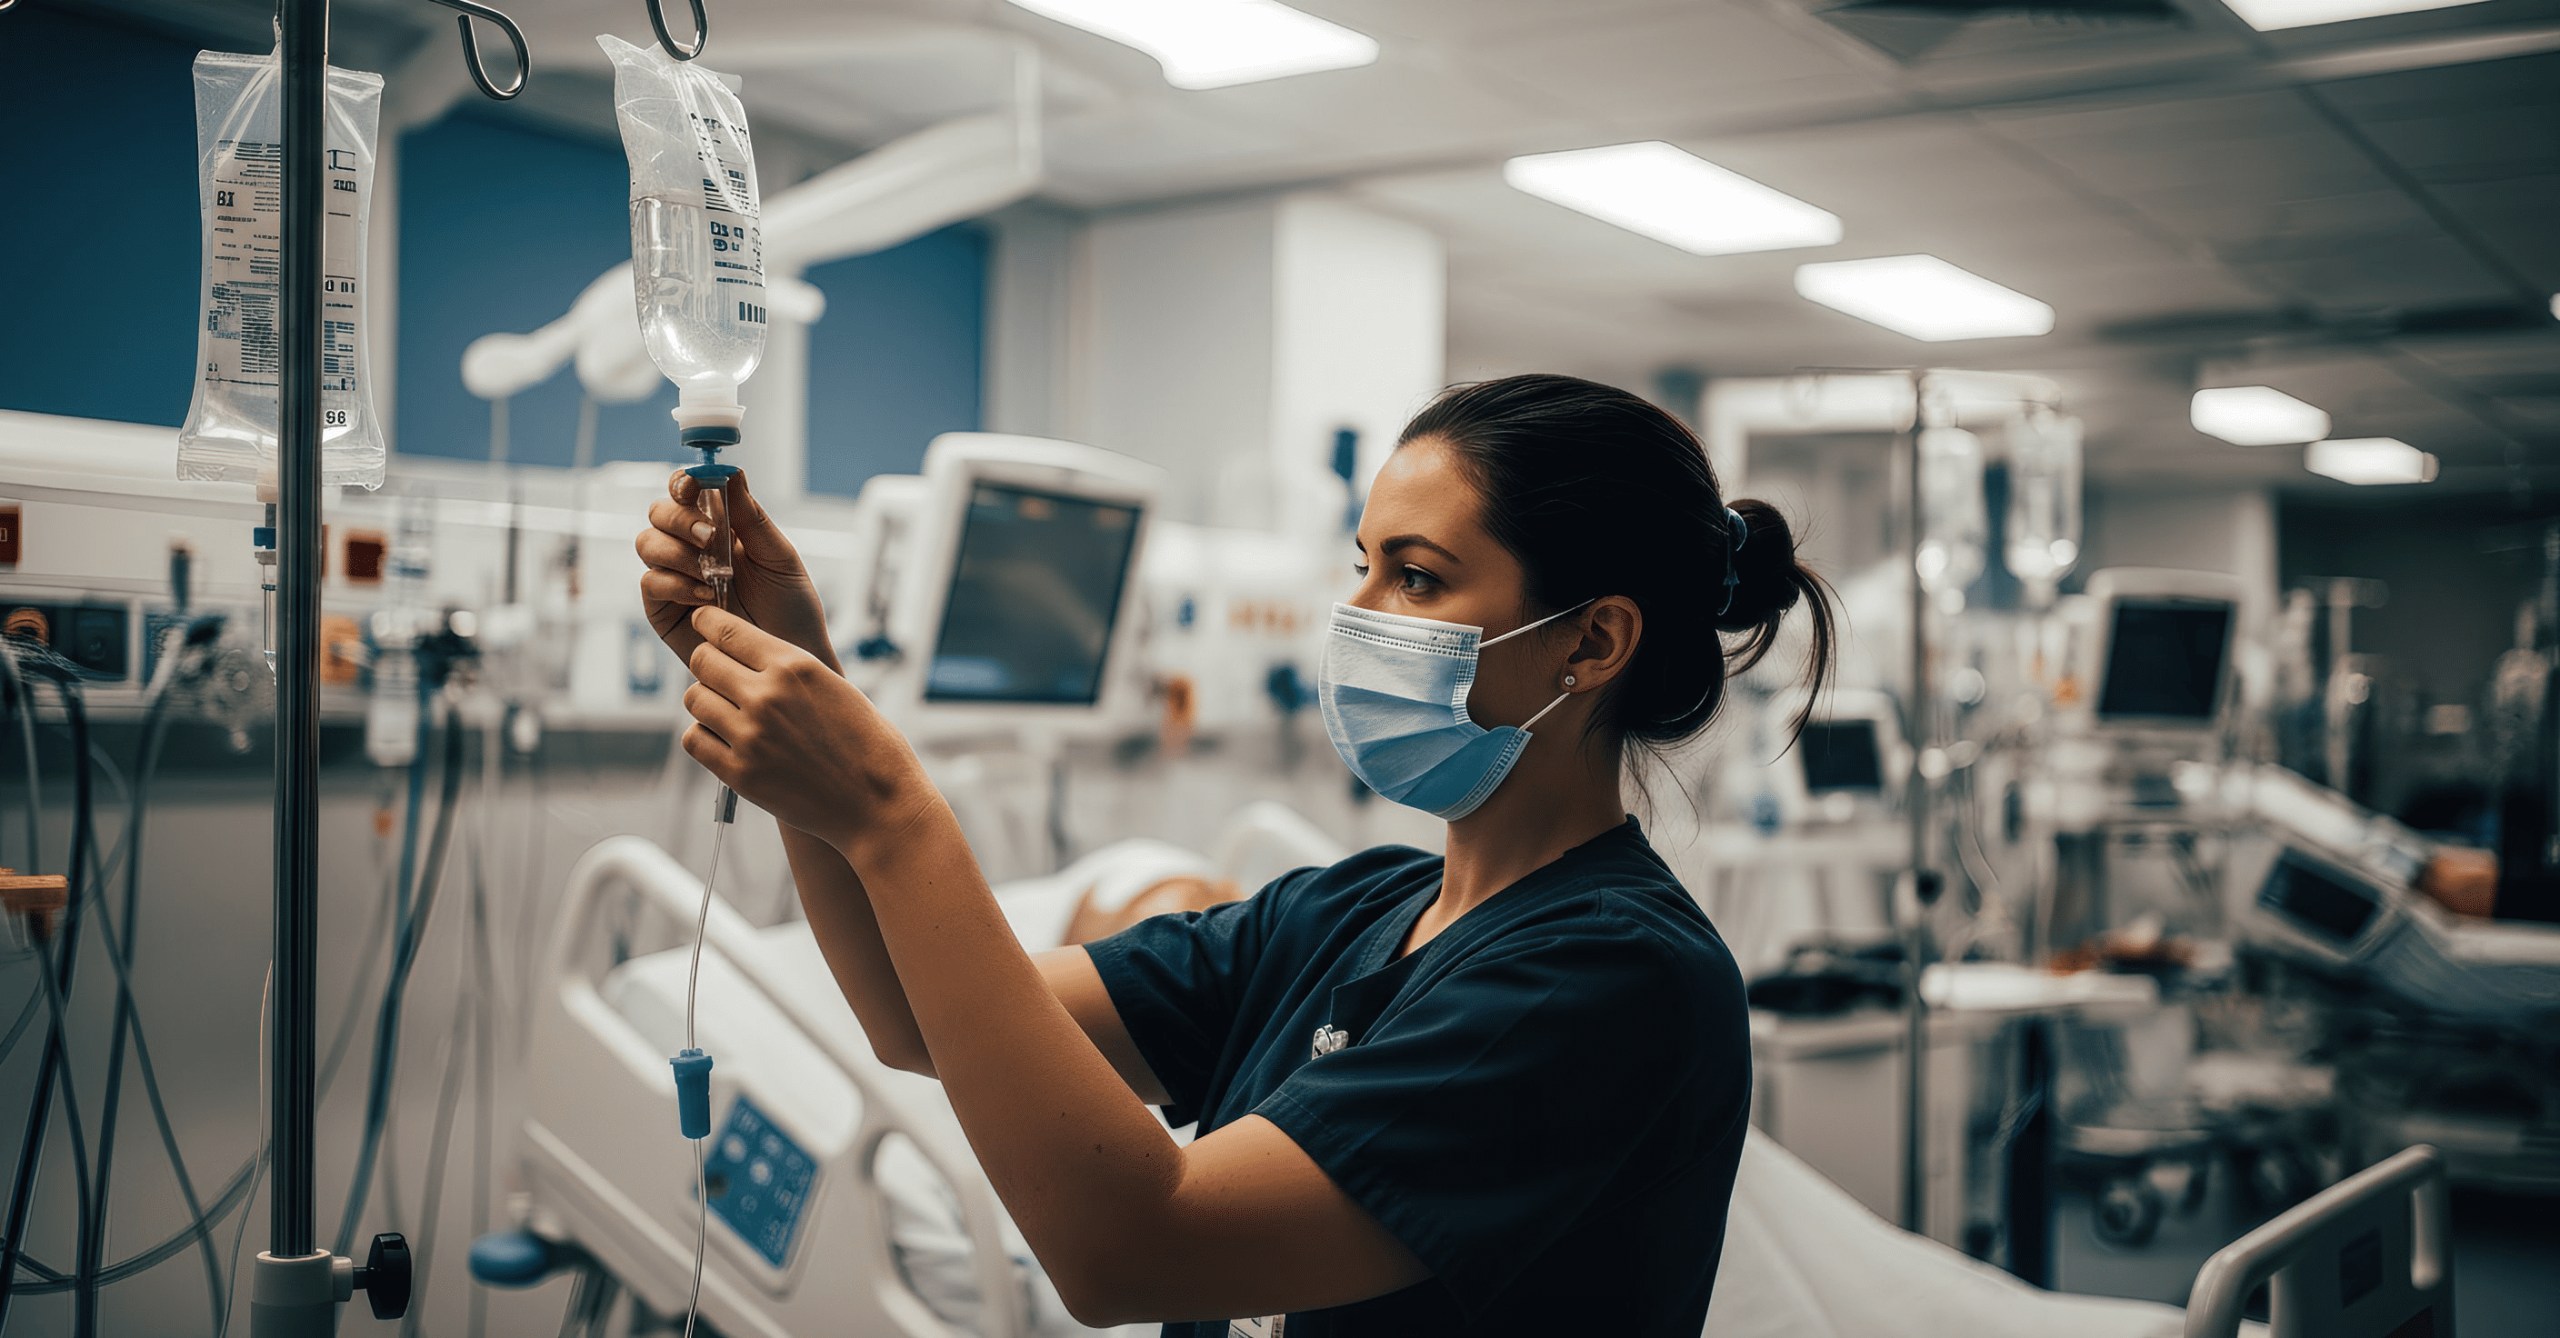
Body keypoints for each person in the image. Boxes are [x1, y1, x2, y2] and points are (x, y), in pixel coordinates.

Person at [635, 373, 1835, 1336]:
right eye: (1361, 566)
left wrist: (895, 810)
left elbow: (1134, 1252)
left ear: (1591, 644)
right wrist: (796, 666)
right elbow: (913, 1013)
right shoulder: (1356, 912)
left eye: (1415, 577)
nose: (1358, 615)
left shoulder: (1615, 979)